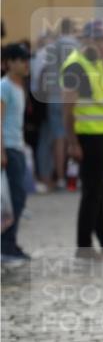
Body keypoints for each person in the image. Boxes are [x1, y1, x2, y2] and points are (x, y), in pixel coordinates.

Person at [61, 20, 103, 259]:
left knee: (99, 191)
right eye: (100, 40)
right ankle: (84, 246)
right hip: (85, 137)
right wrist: (72, 143)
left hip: (101, 135)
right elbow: (67, 108)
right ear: (87, 40)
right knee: (92, 191)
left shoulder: (97, 62)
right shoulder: (75, 66)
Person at [1, 43, 31, 263]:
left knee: (18, 197)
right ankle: (5, 245)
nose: (26, 64)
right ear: (10, 62)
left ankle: (10, 242)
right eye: (21, 60)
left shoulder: (19, 87)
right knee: (13, 197)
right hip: (8, 148)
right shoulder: (4, 87)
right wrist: (1, 150)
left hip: (18, 147)